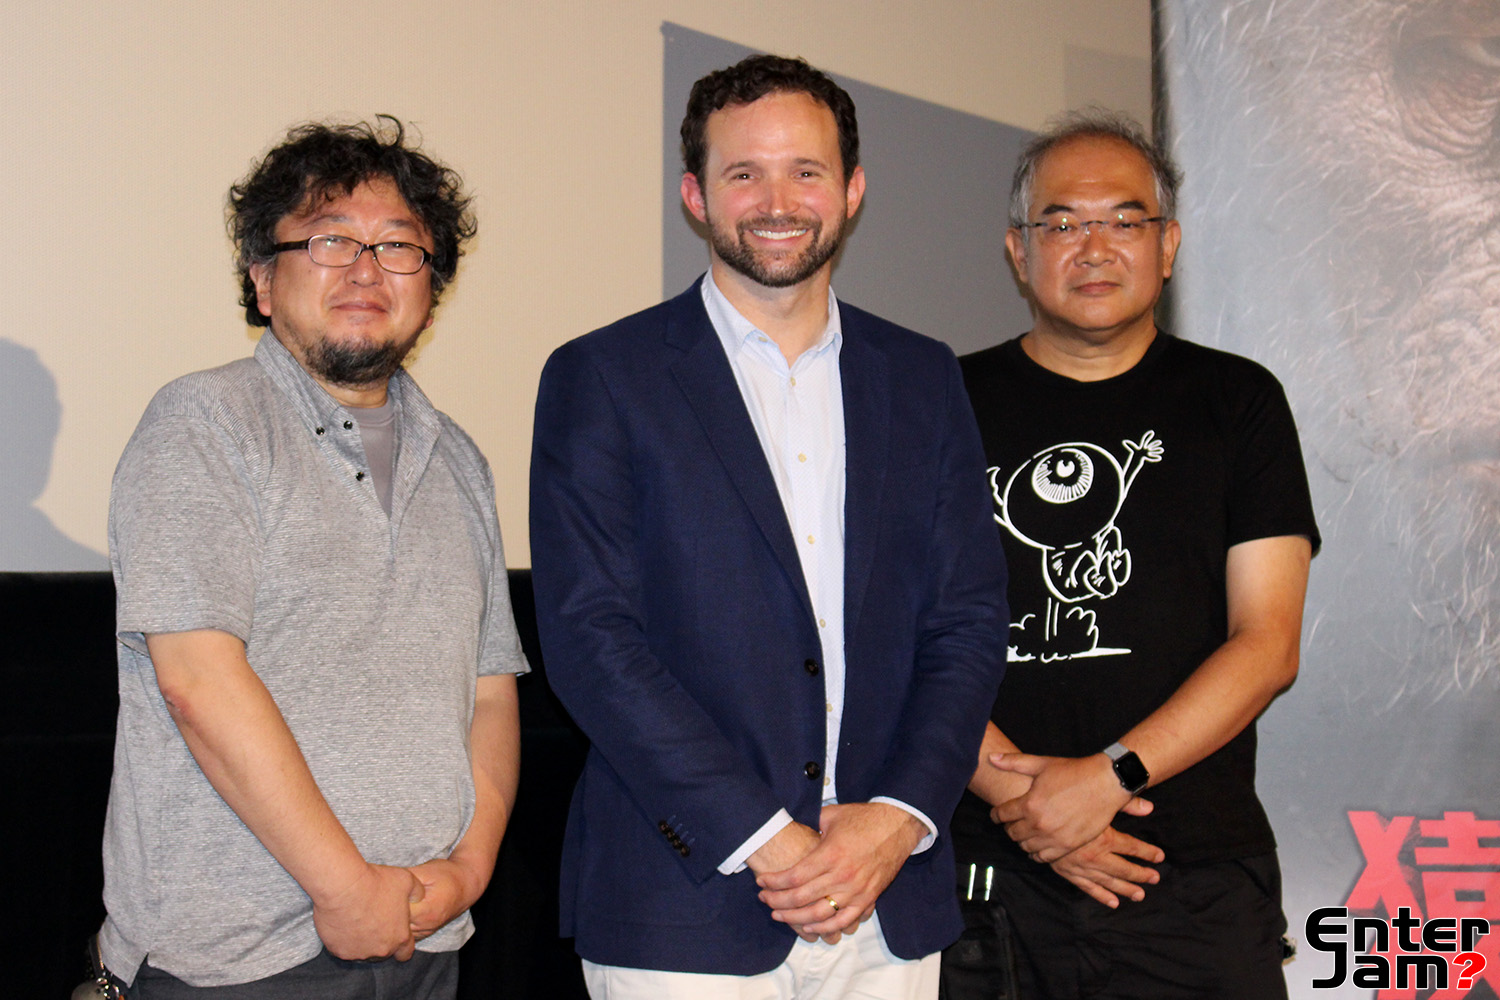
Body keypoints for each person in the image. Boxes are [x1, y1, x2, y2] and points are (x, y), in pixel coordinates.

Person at [530, 54, 1008, 1000]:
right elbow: (591, 639)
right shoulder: (605, 376)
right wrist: (767, 838)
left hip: (888, 897)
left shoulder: (924, 377)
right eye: (744, 172)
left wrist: (897, 818)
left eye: (806, 171)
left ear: (853, 190)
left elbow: (966, 622)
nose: (777, 201)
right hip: (684, 904)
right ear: (695, 196)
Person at [98, 117, 527, 998]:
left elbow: (489, 692)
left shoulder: (459, 461)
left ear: (431, 287)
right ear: (262, 279)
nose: (367, 269)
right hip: (235, 960)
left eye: (399, 246)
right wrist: (344, 888)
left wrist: (469, 869)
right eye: (330, 240)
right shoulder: (205, 423)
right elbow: (198, 680)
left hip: (425, 937)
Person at [943, 110, 1319, 999]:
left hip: (1192, 876)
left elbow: (1268, 643)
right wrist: (1029, 804)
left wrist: (1109, 778)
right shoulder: (941, 403)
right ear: (1018, 251)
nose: (1094, 247)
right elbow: (896, 634)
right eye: (1062, 224)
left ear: (1168, 245)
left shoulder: (1238, 401)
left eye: (1124, 219)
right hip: (992, 884)